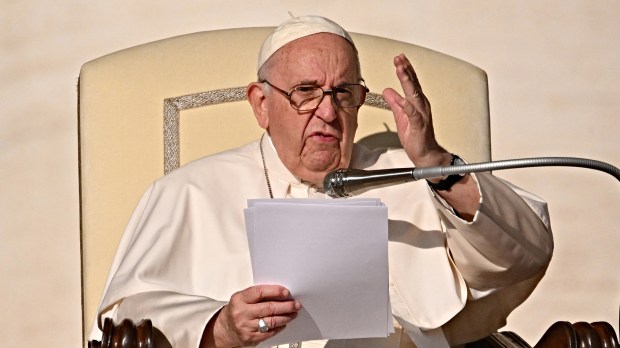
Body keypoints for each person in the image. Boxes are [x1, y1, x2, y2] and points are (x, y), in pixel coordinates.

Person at [88, 15, 553, 348]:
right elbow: (127, 317)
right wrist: (221, 329)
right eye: (305, 93)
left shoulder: (414, 174)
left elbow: (527, 253)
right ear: (261, 104)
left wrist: (434, 162)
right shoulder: (189, 192)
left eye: (342, 93)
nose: (327, 113)